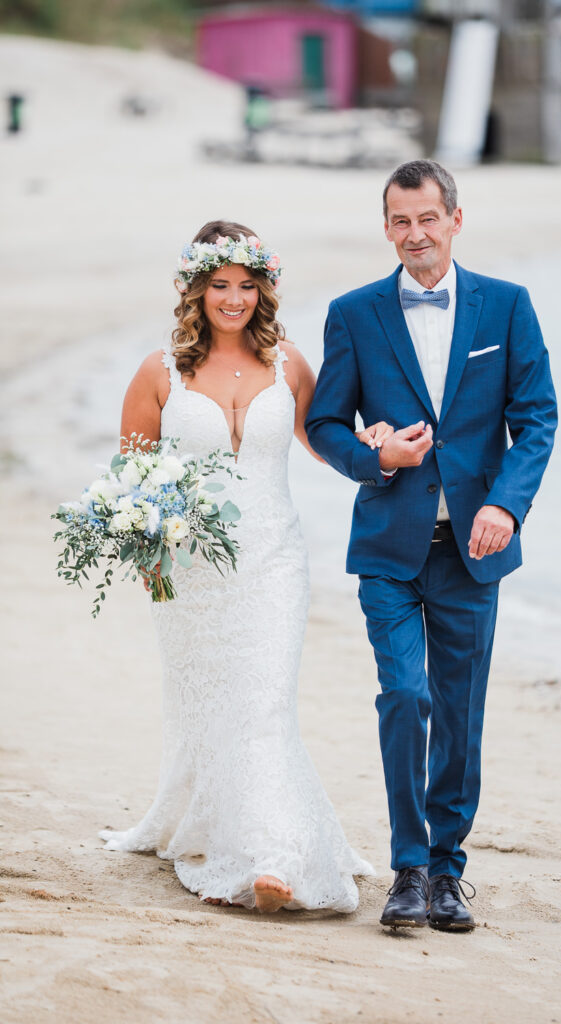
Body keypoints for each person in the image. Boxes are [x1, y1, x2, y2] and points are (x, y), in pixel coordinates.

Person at [99, 220, 391, 913]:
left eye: (246, 286)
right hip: (190, 575)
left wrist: (373, 442)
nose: (234, 299)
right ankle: (216, 821)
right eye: (220, 286)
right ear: (196, 291)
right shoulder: (158, 371)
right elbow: (132, 477)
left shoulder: (288, 363)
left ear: (264, 289)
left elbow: (324, 441)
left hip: (273, 559)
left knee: (263, 702)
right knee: (211, 709)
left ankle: (273, 857)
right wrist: (149, 559)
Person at [305, 160, 557, 931]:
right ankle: (406, 869)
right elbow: (322, 425)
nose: (414, 234)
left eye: (427, 218)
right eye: (399, 221)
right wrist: (376, 456)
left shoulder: (507, 307)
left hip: (471, 551)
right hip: (387, 542)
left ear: (453, 218)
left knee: (457, 712)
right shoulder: (352, 313)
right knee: (405, 697)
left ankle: (447, 873)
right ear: (385, 228)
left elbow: (536, 419)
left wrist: (507, 509)